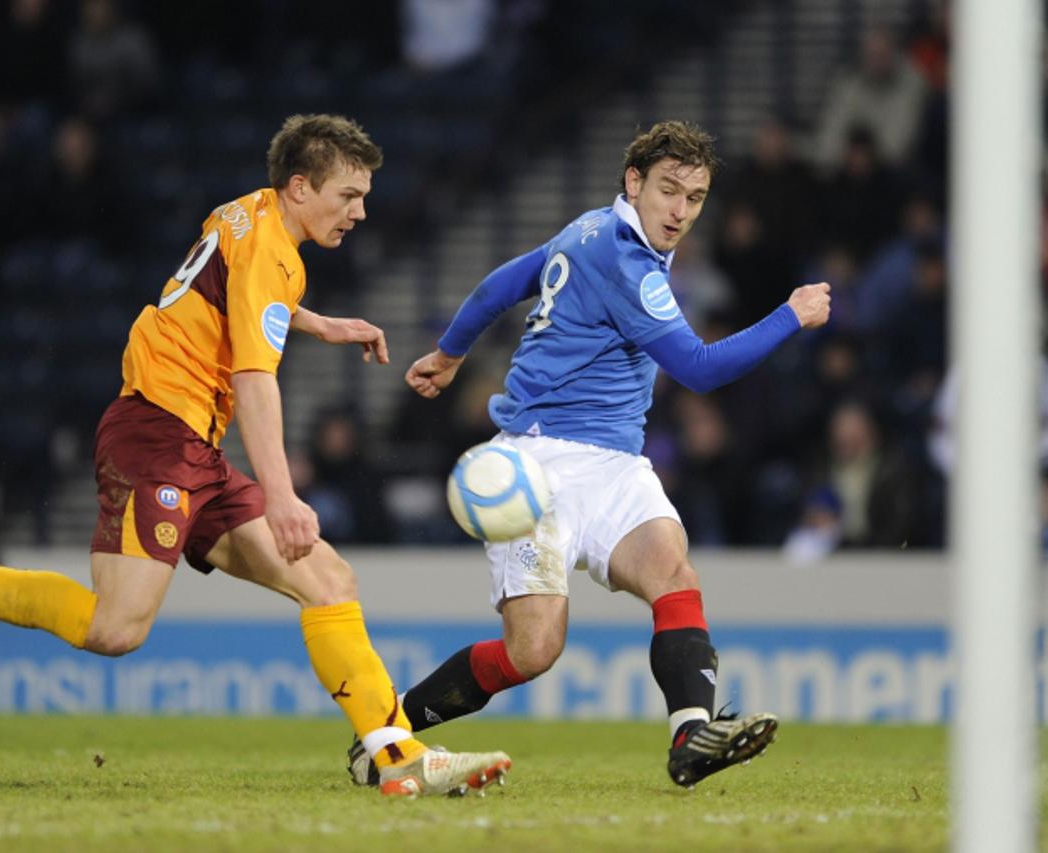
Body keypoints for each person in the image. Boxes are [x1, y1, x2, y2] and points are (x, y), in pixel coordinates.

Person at [0, 113, 510, 798]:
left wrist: (315, 320)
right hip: (156, 433)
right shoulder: (275, 250)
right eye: (348, 195)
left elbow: (230, 290)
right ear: (300, 187)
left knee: (327, 579)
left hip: (191, 444)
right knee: (115, 626)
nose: (360, 212)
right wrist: (281, 493)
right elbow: (253, 379)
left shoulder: (244, 212)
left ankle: (393, 753)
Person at [349, 120, 830, 790]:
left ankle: (690, 734)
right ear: (632, 182)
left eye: (693, 198)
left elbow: (501, 285)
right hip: (537, 466)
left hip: (613, 464)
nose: (679, 211)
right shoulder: (624, 260)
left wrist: (451, 352)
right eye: (668, 190)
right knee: (533, 650)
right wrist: (790, 315)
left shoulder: (585, 230)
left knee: (672, 572)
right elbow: (698, 369)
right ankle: (384, 734)